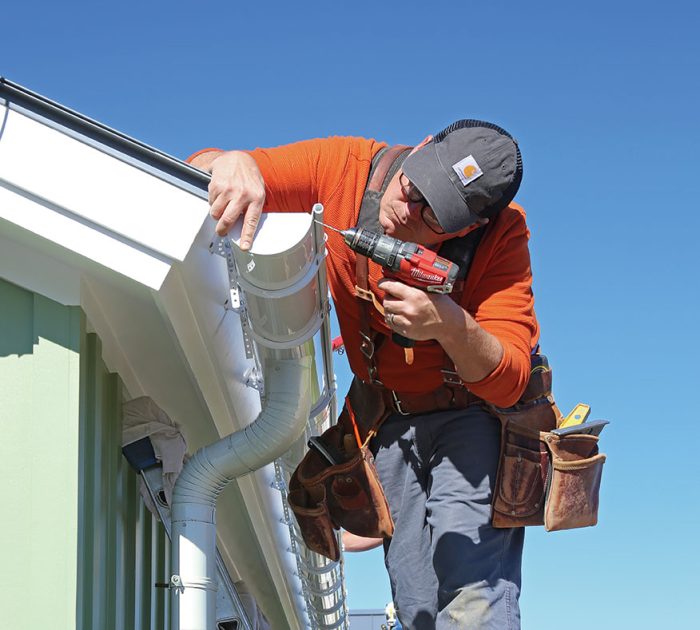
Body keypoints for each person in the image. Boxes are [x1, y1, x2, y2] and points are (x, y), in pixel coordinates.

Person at [188, 120, 539, 629]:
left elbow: (509, 377)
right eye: (412, 187)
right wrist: (231, 161)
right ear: (420, 148)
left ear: (467, 228)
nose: (407, 209)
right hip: (388, 421)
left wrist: (449, 325)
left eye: (432, 216)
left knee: (472, 591)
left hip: (470, 419)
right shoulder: (345, 167)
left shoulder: (503, 235)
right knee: (416, 598)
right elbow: (197, 169)